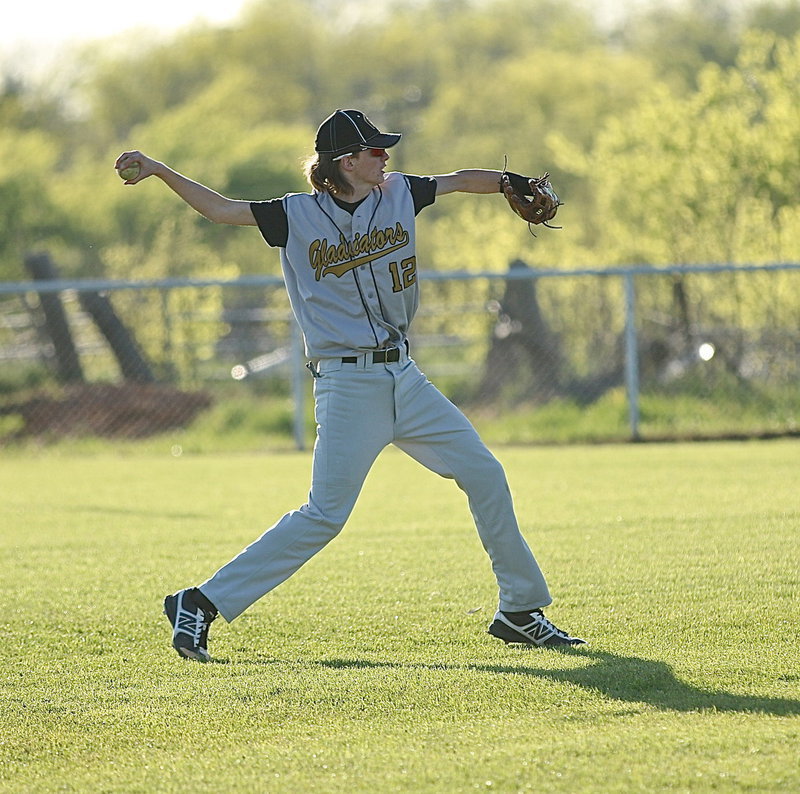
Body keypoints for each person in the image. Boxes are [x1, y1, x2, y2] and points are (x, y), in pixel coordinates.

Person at [116, 108, 585, 661]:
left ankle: (520, 610)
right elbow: (220, 209)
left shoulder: (400, 194)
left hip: (404, 377)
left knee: (484, 472)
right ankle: (199, 603)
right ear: (345, 163)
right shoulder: (294, 216)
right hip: (347, 385)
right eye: (374, 151)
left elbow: (458, 180)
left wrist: (510, 181)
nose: (385, 156)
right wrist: (159, 169)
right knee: (324, 515)